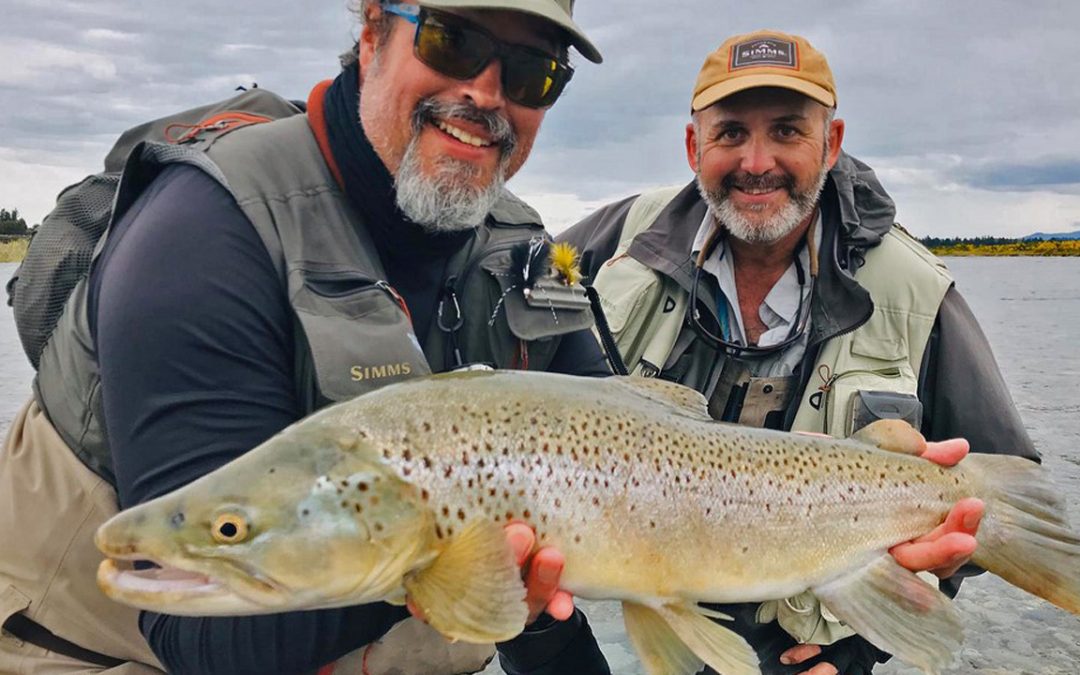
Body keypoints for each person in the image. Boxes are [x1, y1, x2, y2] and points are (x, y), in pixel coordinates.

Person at [0, 1, 616, 673]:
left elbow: (612, 488)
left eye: (532, 72)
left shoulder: (530, 252)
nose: (486, 92)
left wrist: (495, 576)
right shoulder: (199, 233)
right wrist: (451, 551)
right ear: (373, 28)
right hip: (104, 650)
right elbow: (205, 639)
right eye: (453, 41)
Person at [560, 29, 1038, 675]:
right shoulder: (612, 242)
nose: (757, 161)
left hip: (815, 635)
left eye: (787, 131)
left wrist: (866, 643)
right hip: (653, 604)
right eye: (730, 133)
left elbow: (1002, 487)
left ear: (831, 143)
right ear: (692, 144)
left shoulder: (916, 291)